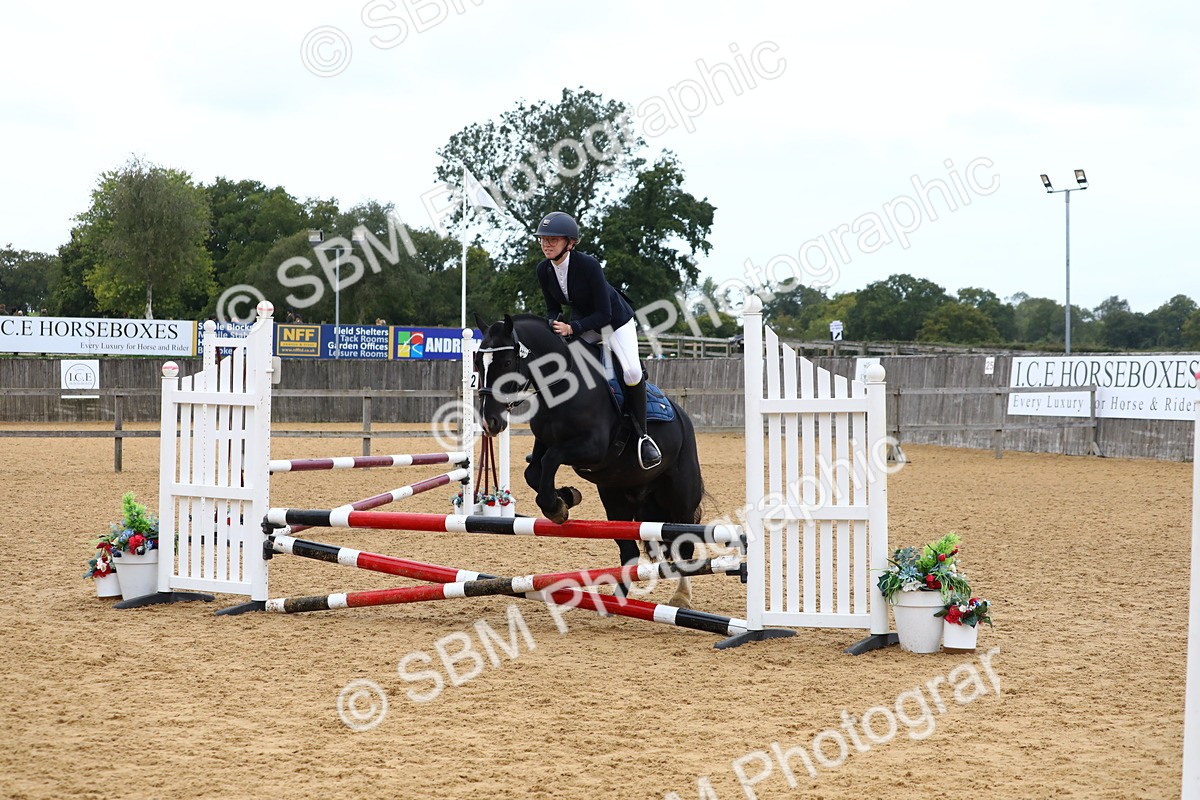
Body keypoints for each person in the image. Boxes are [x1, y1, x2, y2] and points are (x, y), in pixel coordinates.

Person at [533, 211, 661, 469]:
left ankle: (643, 437)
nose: (546, 244)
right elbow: (551, 308)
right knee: (566, 365)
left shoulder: (588, 265)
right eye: (543, 239)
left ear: (570, 243)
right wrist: (552, 324)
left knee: (632, 370)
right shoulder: (543, 270)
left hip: (615, 322)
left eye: (553, 240)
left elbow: (605, 313)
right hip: (583, 323)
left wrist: (573, 328)